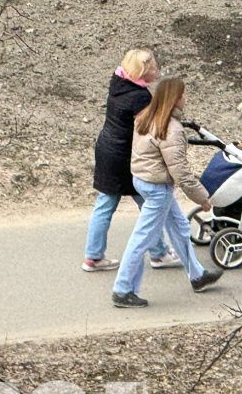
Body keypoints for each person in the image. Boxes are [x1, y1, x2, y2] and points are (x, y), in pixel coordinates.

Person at [112, 77, 223, 307]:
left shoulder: (146, 118)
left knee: (181, 227)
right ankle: (122, 290)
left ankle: (197, 275)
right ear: (174, 99)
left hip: (143, 181)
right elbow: (181, 172)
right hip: (158, 189)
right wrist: (202, 198)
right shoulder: (171, 129)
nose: (185, 98)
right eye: (182, 95)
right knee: (143, 238)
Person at [82, 49, 180, 273]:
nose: (158, 71)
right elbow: (147, 129)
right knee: (149, 204)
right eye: (154, 68)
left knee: (106, 204)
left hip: (107, 149)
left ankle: (93, 256)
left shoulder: (118, 82)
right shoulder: (140, 97)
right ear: (143, 71)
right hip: (125, 156)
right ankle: (159, 253)